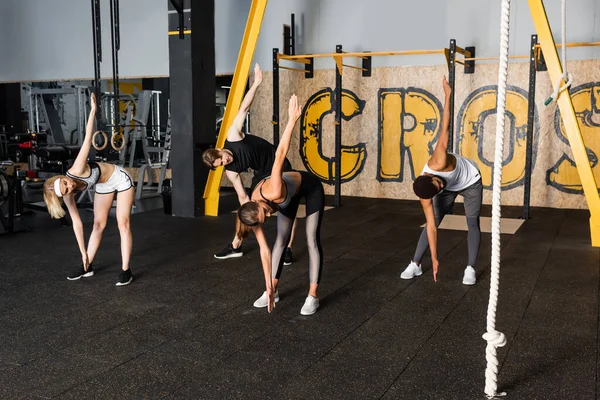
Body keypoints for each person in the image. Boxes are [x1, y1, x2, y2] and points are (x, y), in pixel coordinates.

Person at [236, 94, 324, 316]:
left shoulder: (272, 190)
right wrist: (268, 285)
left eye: (266, 214)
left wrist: (292, 120)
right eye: (264, 218)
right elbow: (264, 251)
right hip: (289, 197)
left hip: (310, 188)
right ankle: (273, 291)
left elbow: (280, 155)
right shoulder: (250, 213)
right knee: (279, 241)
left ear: (260, 205)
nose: (267, 217)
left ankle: (313, 296)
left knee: (312, 238)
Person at [203, 64, 297, 265]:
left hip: (278, 164)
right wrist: (247, 215)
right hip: (261, 174)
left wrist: (256, 84)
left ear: (220, 149)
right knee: (245, 209)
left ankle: (288, 248)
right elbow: (243, 196)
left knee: (288, 205)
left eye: (224, 158)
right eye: (221, 164)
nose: (226, 161)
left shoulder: (233, 136)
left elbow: (244, 107)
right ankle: (235, 246)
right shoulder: (231, 172)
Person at [43, 92, 135, 286]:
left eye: (65, 182)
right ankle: (87, 266)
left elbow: (87, 138)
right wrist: (82, 252)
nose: (71, 185)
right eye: (67, 190)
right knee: (97, 224)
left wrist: (93, 111)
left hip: (119, 178)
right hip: (103, 185)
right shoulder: (69, 197)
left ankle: (126, 270)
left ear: (63, 177)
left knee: (122, 223)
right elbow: (77, 223)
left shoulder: (75, 169)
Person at [400, 76, 482, 285]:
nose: (441, 185)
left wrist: (447, 95)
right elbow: (431, 227)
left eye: (439, 183)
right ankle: (416, 263)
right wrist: (434, 259)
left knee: (472, 222)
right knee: (433, 220)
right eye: (438, 188)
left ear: (431, 175)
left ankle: (471, 268)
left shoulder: (439, 160)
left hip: (470, 180)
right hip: (452, 187)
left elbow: (445, 126)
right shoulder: (426, 193)